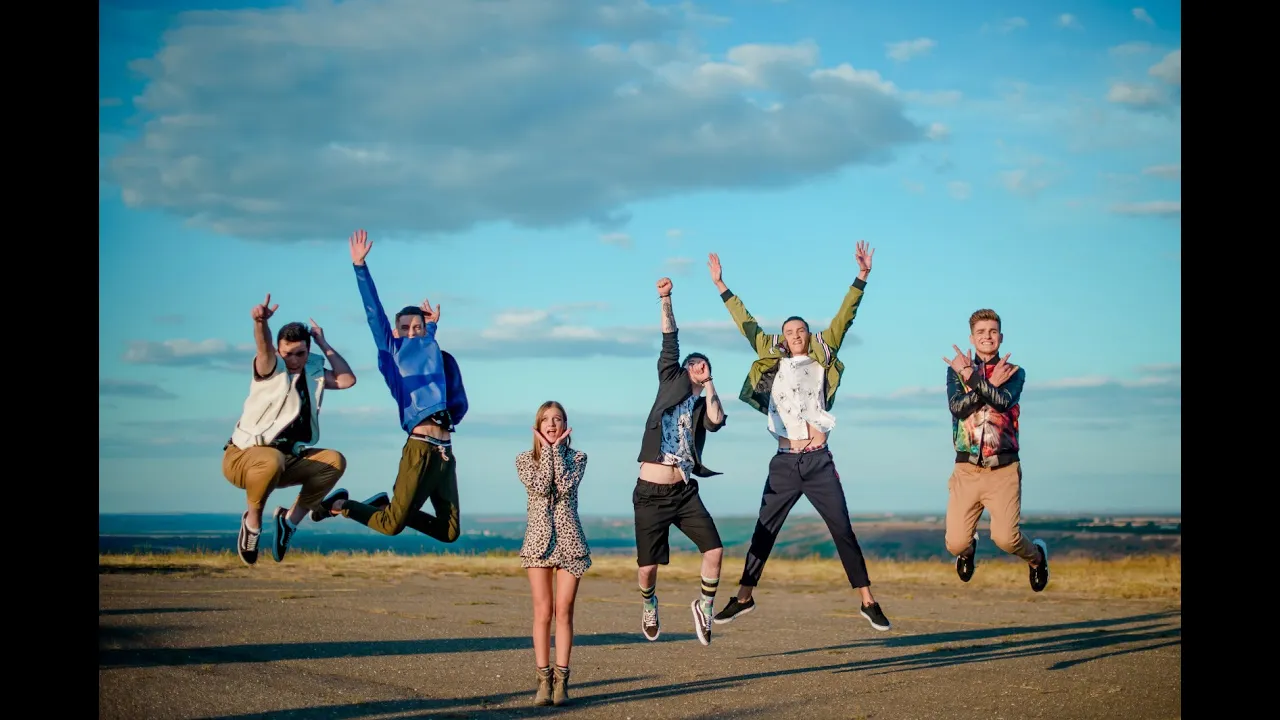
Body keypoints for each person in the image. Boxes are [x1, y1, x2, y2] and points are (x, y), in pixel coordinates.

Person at [708, 242, 892, 632]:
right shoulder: (771, 353)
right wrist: (722, 286)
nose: (795, 335)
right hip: (785, 462)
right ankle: (743, 597)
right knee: (764, 530)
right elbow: (747, 324)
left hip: (819, 460)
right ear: (783, 336)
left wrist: (862, 276)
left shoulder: (824, 350)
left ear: (809, 334)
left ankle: (868, 601)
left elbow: (846, 316)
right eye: (789, 331)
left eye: (800, 330)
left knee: (842, 529)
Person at [321, 230, 470, 541]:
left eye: (417, 327)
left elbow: (430, 343)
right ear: (395, 331)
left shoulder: (434, 350)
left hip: (445, 451)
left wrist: (432, 324)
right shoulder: (392, 351)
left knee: (449, 532)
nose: (412, 332)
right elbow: (373, 311)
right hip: (419, 447)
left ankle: (384, 506)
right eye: (405, 327)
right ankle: (341, 505)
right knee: (391, 525)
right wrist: (360, 267)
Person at [221, 294, 357, 565]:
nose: (293, 360)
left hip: (285, 460)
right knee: (271, 459)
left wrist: (324, 343)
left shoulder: (314, 374)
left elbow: (346, 380)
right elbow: (263, 347)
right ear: (279, 351)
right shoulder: (270, 368)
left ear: (308, 351)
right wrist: (260, 323)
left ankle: (289, 522)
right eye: (288, 354)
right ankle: (252, 523)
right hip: (243, 458)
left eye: (300, 353)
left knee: (334, 461)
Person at [633, 276, 727, 646]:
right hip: (650, 492)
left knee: (715, 551)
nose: (697, 366)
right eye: (693, 363)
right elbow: (670, 337)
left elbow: (717, 421)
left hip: (684, 492)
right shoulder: (670, 379)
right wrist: (666, 298)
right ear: (683, 369)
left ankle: (705, 607)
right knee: (647, 568)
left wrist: (711, 383)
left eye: (703, 364)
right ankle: (649, 604)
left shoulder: (703, 403)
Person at [942, 309, 1049, 591]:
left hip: (1003, 469)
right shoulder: (957, 371)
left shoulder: (1014, 372)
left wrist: (974, 380)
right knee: (956, 544)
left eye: (992, 331)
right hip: (966, 469)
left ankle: (1037, 557)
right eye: (981, 332)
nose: (987, 337)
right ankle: (968, 551)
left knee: (1007, 540)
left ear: (1000, 337)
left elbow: (1002, 401)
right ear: (972, 338)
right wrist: (977, 379)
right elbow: (957, 408)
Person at [516, 401, 590, 707]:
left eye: (557, 419)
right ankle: (543, 681)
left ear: (565, 425)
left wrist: (557, 452)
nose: (551, 423)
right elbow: (542, 487)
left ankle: (562, 682)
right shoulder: (524, 460)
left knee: (564, 610)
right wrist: (546, 452)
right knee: (543, 611)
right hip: (538, 543)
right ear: (538, 425)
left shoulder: (578, 458)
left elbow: (564, 485)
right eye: (546, 419)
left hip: (570, 542)